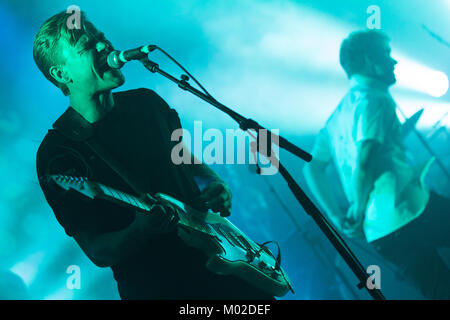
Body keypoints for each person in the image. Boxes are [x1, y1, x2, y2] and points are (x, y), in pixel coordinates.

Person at [33, 10, 272, 300]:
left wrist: (213, 182)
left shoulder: (146, 103)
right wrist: (139, 229)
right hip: (160, 287)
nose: (103, 45)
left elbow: (183, 157)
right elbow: (97, 251)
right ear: (61, 73)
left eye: (100, 37)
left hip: (227, 267)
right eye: (87, 45)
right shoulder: (59, 153)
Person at [303, 29, 450, 299]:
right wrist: (357, 210)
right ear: (369, 60)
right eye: (387, 54)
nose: (394, 62)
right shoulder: (375, 99)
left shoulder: (337, 115)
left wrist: (338, 216)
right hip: (407, 209)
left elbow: (311, 167)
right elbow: (365, 159)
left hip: (380, 233)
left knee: (441, 291)